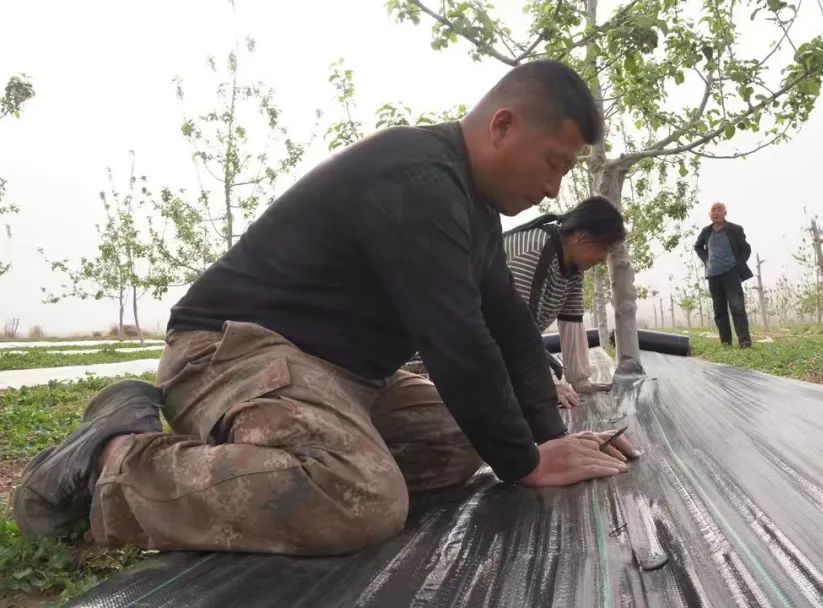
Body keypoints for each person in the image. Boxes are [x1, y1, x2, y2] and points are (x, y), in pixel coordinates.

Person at [13, 59, 640, 556]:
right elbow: (459, 341)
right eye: (555, 163)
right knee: (359, 500)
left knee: (458, 440)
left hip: (344, 376)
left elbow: (511, 334)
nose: (556, 188)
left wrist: (554, 441)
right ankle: (111, 464)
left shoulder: (473, 214)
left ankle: (308, 452)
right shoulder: (418, 177)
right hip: (231, 349)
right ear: (502, 126)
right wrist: (527, 463)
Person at [503, 196, 625, 408]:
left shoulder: (574, 268)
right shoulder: (535, 250)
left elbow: (572, 322)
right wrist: (544, 385)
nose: (603, 258)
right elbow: (513, 329)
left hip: (505, 343)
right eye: (604, 248)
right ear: (582, 236)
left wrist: (579, 381)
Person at [694, 202, 753, 348]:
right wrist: (706, 260)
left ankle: (744, 342)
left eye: (719, 210)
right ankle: (725, 343)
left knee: (737, 308)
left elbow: (746, 249)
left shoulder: (735, 229)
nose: (716, 213)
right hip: (713, 275)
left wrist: (738, 264)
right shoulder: (706, 231)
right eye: (713, 210)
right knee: (719, 311)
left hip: (731, 274)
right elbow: (697, 246)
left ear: (725, 213)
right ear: (710, 214)